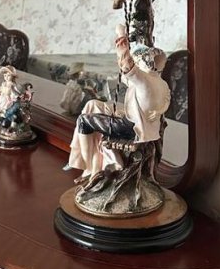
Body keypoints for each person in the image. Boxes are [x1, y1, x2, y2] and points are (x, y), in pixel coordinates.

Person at [65, 30, 170, 187]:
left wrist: (121, 40)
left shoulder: (144, 81)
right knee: (93, 105)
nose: (137, 63)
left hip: (133, 128)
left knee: (83, 121)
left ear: (146, 63)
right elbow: (166, 100)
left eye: (140, 60)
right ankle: (93, 165)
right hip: (144, 126)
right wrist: (159, 112)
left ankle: (89, 167)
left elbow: (127, 65)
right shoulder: (162, 84)